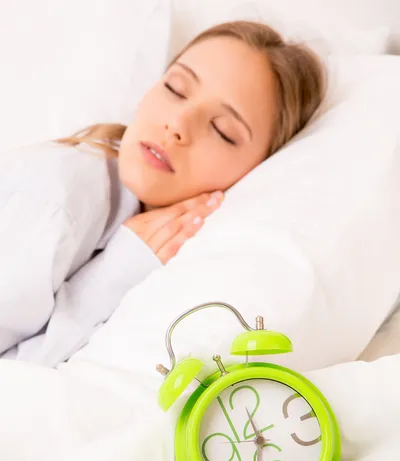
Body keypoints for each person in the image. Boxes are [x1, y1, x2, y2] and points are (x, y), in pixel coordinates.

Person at [0, 20, 326, 367]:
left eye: (222, 130)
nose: (178, 125)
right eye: (176, 89)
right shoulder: (58, 199)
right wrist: (106, 282)